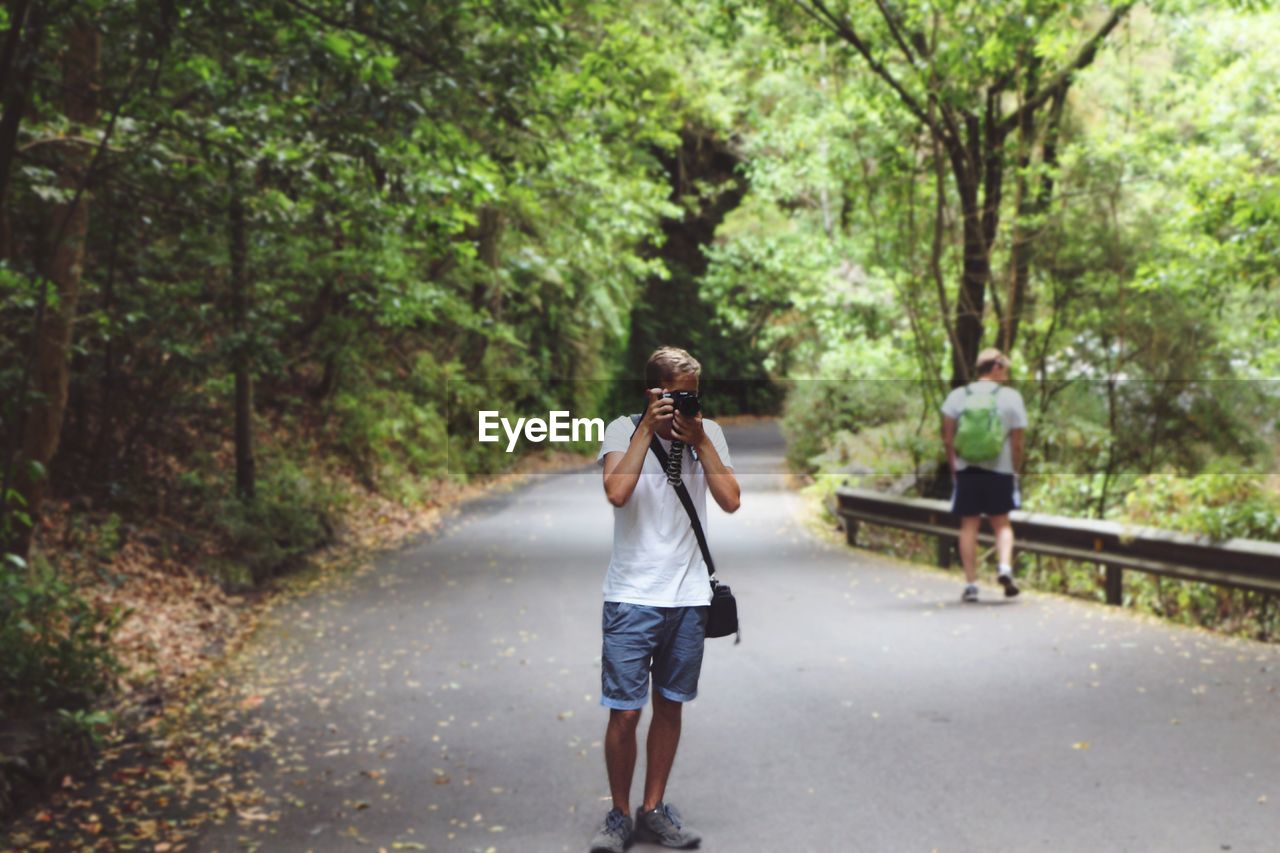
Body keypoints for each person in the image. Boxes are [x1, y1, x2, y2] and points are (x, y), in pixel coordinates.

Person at [588, 346, 741, 853]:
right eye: (676, 395)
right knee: (625, 712)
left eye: (692, 396)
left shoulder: (708, 433)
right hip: (632, 594)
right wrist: (646, 432)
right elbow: (616, 492)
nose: (685, 404)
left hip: (690, 594)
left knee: (670, 705)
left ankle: (653, 808)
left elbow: (731, 500)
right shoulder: (620, 430)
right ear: (652, 392)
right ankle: (618, 813)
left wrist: (699, 442)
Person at [940, 348, 1028, 603]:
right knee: (1002, 524)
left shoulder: (958, 396)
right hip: (999, 470)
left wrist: (954, 467)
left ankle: (971, 585)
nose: (1006, 375)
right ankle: (1004, 568)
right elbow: (1018, 442)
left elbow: (947, 437)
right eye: (1005, 369)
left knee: (969, 525)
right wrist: (1015, 470)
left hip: (966, 470)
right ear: (996, 367)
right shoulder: (1011, 397)